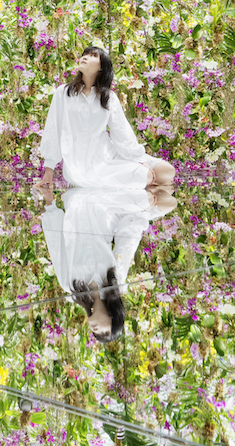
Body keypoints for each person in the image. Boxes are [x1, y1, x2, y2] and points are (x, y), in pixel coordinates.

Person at [41, 185, 177, 342]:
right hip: (103, 206)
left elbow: (57, 248)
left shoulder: (72, 288)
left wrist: (50, 204)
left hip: (75, 204)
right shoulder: (115, 282)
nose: (97, 331)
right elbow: (126, 243)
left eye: (96, 335)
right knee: (167, 198)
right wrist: (145, 209)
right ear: (113, 318)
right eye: (105, 332)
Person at [33, 47, 176, 191]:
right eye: (84, 54)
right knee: (144, 175)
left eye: (92, 55)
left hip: (108, 156)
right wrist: (49, 169)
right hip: (80, 166)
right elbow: (54, 128)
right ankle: (137, 187)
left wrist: (140, 159)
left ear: (102, 67)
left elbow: (121, 132)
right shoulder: (63, 93)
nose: (85, 57)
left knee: (167, 171)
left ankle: (138, 180)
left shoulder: (108, 97)